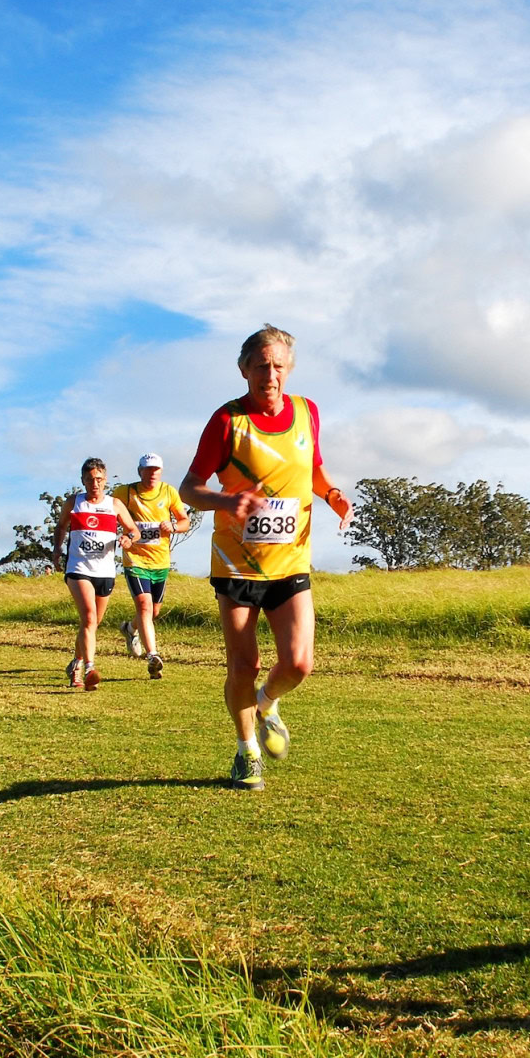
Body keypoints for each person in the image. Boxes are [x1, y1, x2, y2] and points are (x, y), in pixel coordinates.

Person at [179, 325, 353, 792]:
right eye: (260, 366)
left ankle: (267, 703)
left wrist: (332, 494)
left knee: (299, 664)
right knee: (243, 665)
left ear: (289, 369)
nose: (269, 376)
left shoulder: (307, 412)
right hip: (237, 563)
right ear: (244, 370)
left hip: (291, 562)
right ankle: (247, 752)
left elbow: (313, 469)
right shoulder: (227, 420)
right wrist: (226, 501)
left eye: (277, 366)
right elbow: (189, 489)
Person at [51, 458, 140, 691]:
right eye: (90, 480)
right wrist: (57, 550)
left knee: (91, 623)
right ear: (82, 480)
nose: (95, 484)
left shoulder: (114, 505)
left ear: (105, 480)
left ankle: (76, 663)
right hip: (78, 569)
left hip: (105, 571)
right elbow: (61, 526)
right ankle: (90, 669)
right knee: (89, 618)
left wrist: (128, 539)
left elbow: (134, 530)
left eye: (99, 479)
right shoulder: (74, 503)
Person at [113, 453, 192, 678]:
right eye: (147, 470)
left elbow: (185, 521)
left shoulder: (168, 492)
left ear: (161, 472)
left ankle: (130, 629)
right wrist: (122, 535)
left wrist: (174, 526)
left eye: (155, 470)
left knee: (153, 611)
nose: (151, 474)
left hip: (160, 561)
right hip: (135, 560)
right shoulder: (125, 492)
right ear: (140, 472)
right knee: (145, 606)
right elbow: (109, 513)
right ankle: (153, 656)